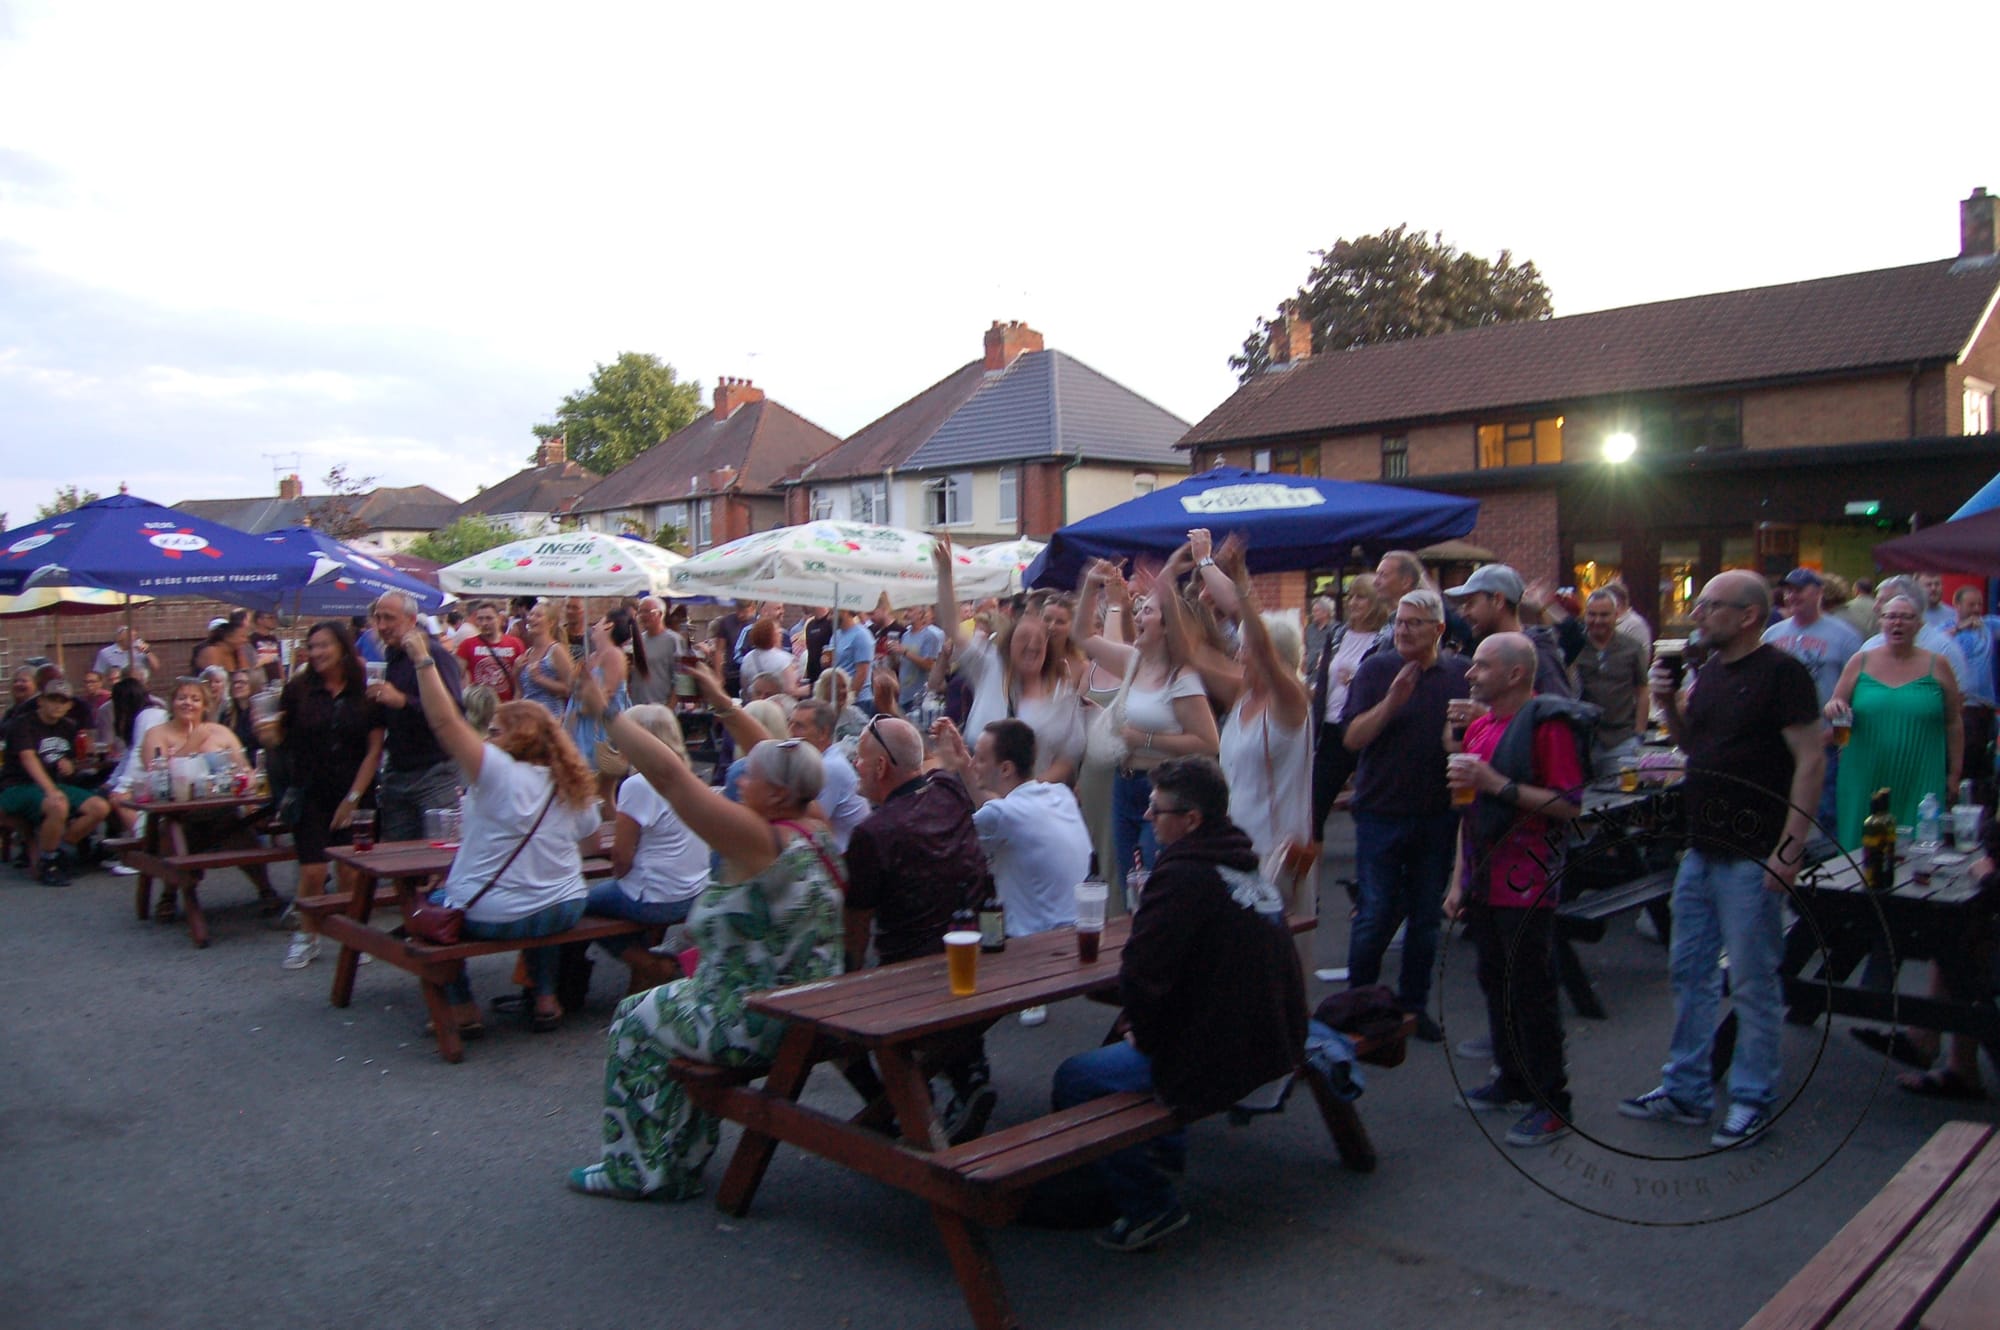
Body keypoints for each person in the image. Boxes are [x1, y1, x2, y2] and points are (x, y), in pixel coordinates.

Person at [568, 694, 843, 1201]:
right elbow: (785, 764)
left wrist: (607, 713)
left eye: (750, 777)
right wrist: (720, 702)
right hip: (806, 1005)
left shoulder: (759, 841)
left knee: (633, 1018)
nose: (739, 782)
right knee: (670, 1007)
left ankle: (635, 1169)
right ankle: (684, 1155)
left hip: (756, 1018)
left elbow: (671, 778)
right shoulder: (817, 826)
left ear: (777, 795)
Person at [1051, 755, 1306, 1252]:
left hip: (1232, 1054)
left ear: (1191, 820)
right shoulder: (1240, 863)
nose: (1147, 816)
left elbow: (1143, 974)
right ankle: (1161, 1150)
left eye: (1157, 809)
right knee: (1122, 1034)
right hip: (1276, 1036)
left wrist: (1144, 1033)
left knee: (1075, 1078)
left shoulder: (1182, 878)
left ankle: (1149, 1204)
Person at [1619, 570, 1822, 1149]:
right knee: (1690, 972)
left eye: (1709, 605)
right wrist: (1666, 703)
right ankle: (1686, 1089)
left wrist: (1789, 851)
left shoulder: (1782, 674)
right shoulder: (1709, 672)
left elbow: (1811, 761)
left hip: (1753, 854)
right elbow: (1693, 747)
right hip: (1702, 849)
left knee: (1754, 982)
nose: (1697, 613)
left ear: (1749, 615)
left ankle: (1753, 1100)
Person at [396, 623, 604, 1032]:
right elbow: (592, 844)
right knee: (539, 901)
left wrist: (422, 660)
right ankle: (545, 998)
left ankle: (461, 1006)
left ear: (515, 738)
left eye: (494, 732)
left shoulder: (497, 772)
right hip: (565, 906)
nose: (487, 740)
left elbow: (445, 722)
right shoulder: (569, 781)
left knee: (429, 906)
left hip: (495, 913)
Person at [1443, 633, 1585, 1148]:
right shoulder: (1481, 726)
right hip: (1483, 879)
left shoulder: (1547, 726)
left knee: (1531, 991)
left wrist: (1494, 783)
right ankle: (1512, 1079)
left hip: (1526, 882)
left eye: (1482, 666)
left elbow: (1569, 804)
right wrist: (1458, 880)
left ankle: (1553, 1103)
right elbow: (1466, 811)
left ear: (1515, 674)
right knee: (1495, 980)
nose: (1470, 673)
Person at [845, 714, 998, 1142]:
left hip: (910, 974)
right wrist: (951, 752)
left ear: (880, 768)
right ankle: (968, 1072)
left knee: (837, 1013)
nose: (855, 764)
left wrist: (845, 977)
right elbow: (942, 768)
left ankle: (900, 1103)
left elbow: (855, 929)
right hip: (981, 953)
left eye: (860, 758)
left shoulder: (872, 833)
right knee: (943, 953)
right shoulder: (949, 791)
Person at [1340, 589, 1471, 1041]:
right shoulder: (1376, 670)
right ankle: (1359, 1004)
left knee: (1425, 918)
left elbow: (1473, 739)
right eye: (1399, 622)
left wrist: (1465, 732)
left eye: (1414, 623)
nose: (1403, 630)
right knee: (1375, 912)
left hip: (1437, 814)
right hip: (1381, 811)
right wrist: (1392, 702)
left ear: (1439, 629)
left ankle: (1414, 1007)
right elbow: (1352, 738)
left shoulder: (1460, 674)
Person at [1197, 536, 1315, 956]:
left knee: (1275, 955)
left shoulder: (1291, 700)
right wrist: (1181, 591)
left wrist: (1240, 580)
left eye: (1244, 649)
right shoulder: (1242, 697)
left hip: (1276, 851)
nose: (1239, 655)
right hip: (1235, 843)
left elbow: (1261, 647)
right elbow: (1191, 651)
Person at [1077, 556, 1219, 899]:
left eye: (1147, 612)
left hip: (1162, 790)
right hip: (1123, 785)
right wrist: (1090, 586)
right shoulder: (1133, 661)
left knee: (1153, 885)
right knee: (1130, 884)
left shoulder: (1181, 678)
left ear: (1167, 627)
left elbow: (1208, 742)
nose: (1138, 616)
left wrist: (1145, 738)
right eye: (1139, 610)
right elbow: (1082, 636)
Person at [257, 621, 386, 970]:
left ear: (342, 647)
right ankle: (307, 936)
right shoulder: (298, 689)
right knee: (313, 871)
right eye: (312, 646)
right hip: (310, 791)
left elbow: (374, 750)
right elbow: (282, 738)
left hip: (355, 791)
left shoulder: (366, 690)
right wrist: (268, 737)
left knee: (350, 871)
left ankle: (353, 935)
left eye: (323, 645)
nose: (316, 653)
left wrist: (353, 798)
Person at [576, 702, 711, 989]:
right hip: (694, 890)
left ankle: (646, 963)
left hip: (656, 896)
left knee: (576, 908)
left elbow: (621, 857)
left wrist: (620, 876)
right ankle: (644, 973)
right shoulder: (690, 777)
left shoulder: (639, 784)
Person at [931, 714, 1092, 942]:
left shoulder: (1001, 815)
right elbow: (1000, 814)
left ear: (1006, 768)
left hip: (1036, 943)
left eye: (980, 759)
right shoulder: (1060, 794)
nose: (973, 763)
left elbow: (941, 846)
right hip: (1080, 931)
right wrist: (963, 763)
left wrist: (946, 769)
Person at [934, 540, 1083, 785]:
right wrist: (944, 574)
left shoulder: (1061, 692)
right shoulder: (989, 666)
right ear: (1008, 644)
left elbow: (1068, 758)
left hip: (1032, 798)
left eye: (1039, 642)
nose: (1032, 646)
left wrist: (1028, 791)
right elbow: (953, 626)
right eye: (1024, 639)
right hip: (975, 789)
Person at [1824, 594, 1962, 848]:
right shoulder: (1860, 661)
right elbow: (1838, 711)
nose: (1897, 623)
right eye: (1890, 617)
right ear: (1881, 621)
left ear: (1919, 624)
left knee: (1919, 843)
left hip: (1921, 772)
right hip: (1864, 771)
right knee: (1861, 846)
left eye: (1906, 617)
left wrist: (1954, 773)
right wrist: (1838, 725)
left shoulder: (1938, 665)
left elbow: (1953, 722)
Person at [1761, 567, 1862, 828]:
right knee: (1779, 809)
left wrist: (1841, 738)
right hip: (1780, 742)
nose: (1792, 596)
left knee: (1827, 812)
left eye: (1799, 590)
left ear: (1819, 593)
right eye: (1788, 590)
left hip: (1825, 742)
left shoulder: (1845, 636)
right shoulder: (1772, 635)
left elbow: (1858, 695)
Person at [362, 591, 465, 843]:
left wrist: (402, 701)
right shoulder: (391, 656)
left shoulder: (434, 654)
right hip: (397, 771)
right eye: (378, 618)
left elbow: (455, 712)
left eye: (389, 618)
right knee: (396, 853)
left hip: (434, 771)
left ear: (410, 620)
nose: (382, 626)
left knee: (438, 850)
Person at [1, 677, 112, 886]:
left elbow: (67, 758)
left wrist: (69, 764)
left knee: (100, 807)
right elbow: (28, 758)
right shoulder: (23, 724)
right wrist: (51, 790)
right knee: (58, 804)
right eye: (52, 699)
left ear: (69, 705)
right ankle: (49, 863)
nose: (57, 705)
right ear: (41, 701)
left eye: (63, 701)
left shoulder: (68, 727)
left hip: (52, 785)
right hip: (17, 787)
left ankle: (58, 848)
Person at [1309, 574, 1388, 846]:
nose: (1353, 602)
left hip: (1364, 728)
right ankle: (1311, 872)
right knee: (1313, 808)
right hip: (1331, 728)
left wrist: (1359, 681)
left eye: (1361, 597)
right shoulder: (1337, 634)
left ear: (1376, 601)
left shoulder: (1385, 638)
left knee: (1370, 806)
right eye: (1351, 596)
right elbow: (1323, 681)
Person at [1444, 564, 1574, 699]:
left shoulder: (1537, 653)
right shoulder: (1484, 648)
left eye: (1471, 603)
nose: (1464, 613)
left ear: (1497, 600)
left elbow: (1558, 708)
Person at [1573, 588, 1651, 778]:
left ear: (1616, 616)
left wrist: (1639, 732)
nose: (1597, 620)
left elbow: (1642, 691)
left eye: (1604, 615)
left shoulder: (1632, 648)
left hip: (1621, 739)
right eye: (1592, 614)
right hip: (1583, 741)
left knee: (1620, 794)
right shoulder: (1574, 646)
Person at [787, 699, 870, 851]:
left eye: (799, 726)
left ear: (823, 733)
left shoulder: (829, 767)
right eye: (790, 723)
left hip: (849, 855)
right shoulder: (823, 761)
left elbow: (806, 823)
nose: (790, 732)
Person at [455, 601, 527, 703]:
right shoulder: (467, 645)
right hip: (479, 705)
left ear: (499, 618)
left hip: (507, 704)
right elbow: (457, 675)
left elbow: (524, 677)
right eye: (480, 619)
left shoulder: (515, 644)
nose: (484, 623)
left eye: (489, 618)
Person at [516, 599, 575, 718]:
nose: (532, 618)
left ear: (550, 622)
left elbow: (570, 688)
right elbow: (522, 691)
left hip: (550, 718)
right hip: (527, 719)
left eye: (538, 616)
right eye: (531, 614)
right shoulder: (528, 652)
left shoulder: (556, 650)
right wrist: (516, 672)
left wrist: (540, 679)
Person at [628, 597, 682, 706]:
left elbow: (680, 679)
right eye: (640, 612)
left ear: (660, 614)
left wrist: (669, 708)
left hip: (661, 706)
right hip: (637, 707)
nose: (643, 616)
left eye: (647, 611)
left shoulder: (673, 641)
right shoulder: (636, 641)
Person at [892, 604, 946, 715]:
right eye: (905, 610)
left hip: (919, 696)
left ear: (921, 613)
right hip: (903, 694)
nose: (905, 614)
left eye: (910, 610)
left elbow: (929, 664)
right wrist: (893, 654)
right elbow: (901, 663)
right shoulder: (905, 635)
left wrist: (905, 652)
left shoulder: (929, 636)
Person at [738, 617, 800, 699]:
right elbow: (791, 690)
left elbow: (745, 688)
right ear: (773, 636)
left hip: (755, 702)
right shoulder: (784, 659)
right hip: (777, 704)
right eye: (779, 632)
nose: (781, 635)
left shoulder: (747, 658)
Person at [831, 608, 874, 700]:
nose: (830, 617)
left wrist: (850, 698)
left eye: (833, 613)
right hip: (838, 697)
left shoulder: (861, 635)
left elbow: (862, 673)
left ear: (845, 611)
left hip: (859, 699)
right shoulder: (836, 635)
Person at [221, 670, 262, 762]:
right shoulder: (227, 715)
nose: (237, 686)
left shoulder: (259, 713)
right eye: (234, 683)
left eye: (242, 682)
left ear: (253, 685)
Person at [93, 626, 159, 681]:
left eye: (135, 636)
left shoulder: (140, 650)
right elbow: (99, 675)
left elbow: (156, 667)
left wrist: (147, 651)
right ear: (119, 638)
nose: (134, 639)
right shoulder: (105, 653)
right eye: (130, 636)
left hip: (138, 688)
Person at [801, 606, 834, 689]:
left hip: (828, 682)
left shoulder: (831, 623)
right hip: (813, 681)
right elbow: (810, 654)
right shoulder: (809, 625)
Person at [1304, 597, 1337, 671]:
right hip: (1310, 673)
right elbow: (1306, 649)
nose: (1313, 614)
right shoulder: (1310, 629)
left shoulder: (1336, 630)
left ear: (1325, 613)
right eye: (1312, 611)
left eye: (1316, 611)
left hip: (1327, 672)